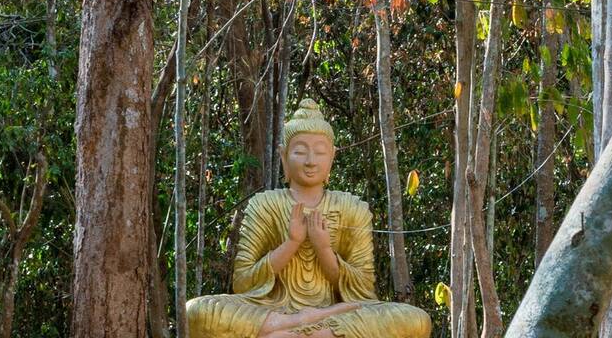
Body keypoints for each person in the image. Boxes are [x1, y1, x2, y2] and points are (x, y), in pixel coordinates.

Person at [185, 99, 431, 338]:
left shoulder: (352, 207)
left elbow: (362, 291)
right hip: (273, 311)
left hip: (335, 315)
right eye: (300, 152)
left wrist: (324, 249)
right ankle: (297, 323)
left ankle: (318, 331)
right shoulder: (265, 204)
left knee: (417, 320)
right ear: (284, 156)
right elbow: (243, 283)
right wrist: (291, 243)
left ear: (332, 157)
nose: (311, 161)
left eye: (320, 152)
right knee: (197, 312)